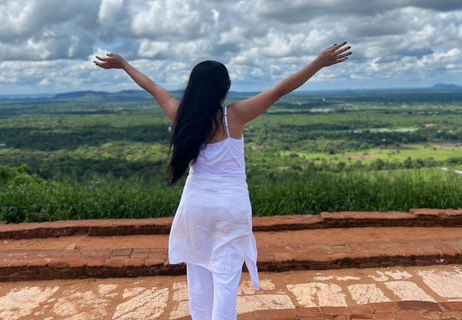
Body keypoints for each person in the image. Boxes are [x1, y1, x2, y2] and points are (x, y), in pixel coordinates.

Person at [94, 41, 351, 320]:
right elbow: (279, 90)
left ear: (192, 87)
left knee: (199, 278)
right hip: (230, 208)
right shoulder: (233, 116)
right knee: (226, 281)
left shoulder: (182, 116)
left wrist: (124, 65)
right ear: (224, 90)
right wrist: (319, 62)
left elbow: (153, 87)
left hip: (195, 207)